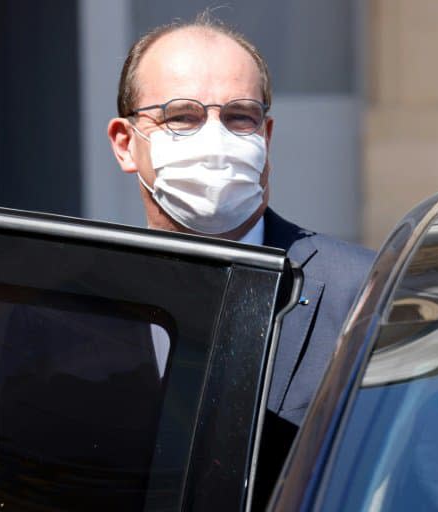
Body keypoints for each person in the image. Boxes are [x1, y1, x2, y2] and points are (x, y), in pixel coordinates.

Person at [106, 12, 374, 503]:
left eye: (239, 117)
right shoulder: (75, 304)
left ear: (265, 137)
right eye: (182, 116)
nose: (215, 140)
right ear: (126, 144)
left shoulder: (362, 292)